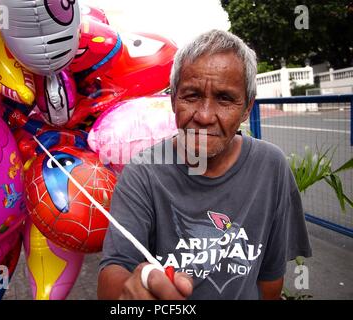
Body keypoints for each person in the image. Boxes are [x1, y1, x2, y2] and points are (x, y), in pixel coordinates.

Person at [97, 29, 312, 300]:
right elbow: (113, 275)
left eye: (224, 98)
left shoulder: (271, 166)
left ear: (247, 108)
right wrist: (138, 283)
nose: (205, 116)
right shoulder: (142, 172)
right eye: (192, 95)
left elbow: (270, 276)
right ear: (173, 100)